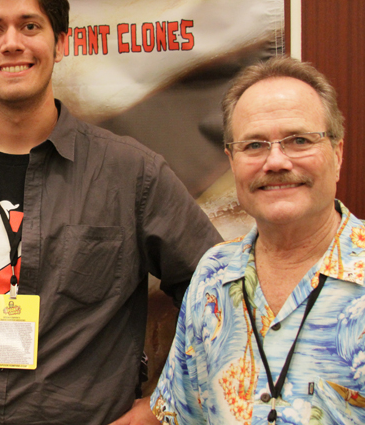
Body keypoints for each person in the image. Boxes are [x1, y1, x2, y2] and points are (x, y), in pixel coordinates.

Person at [0, 0, 222, 425]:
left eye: (30, 26)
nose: (12, 44)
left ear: (60, 42)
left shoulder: (132, 174)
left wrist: (160, 406)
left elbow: (218, 295)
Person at [150, 57, 365, 424]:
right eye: (254, 145)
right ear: (232, 161)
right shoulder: (212, 278)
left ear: (338, 154)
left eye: (299, 140)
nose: (276, 161)